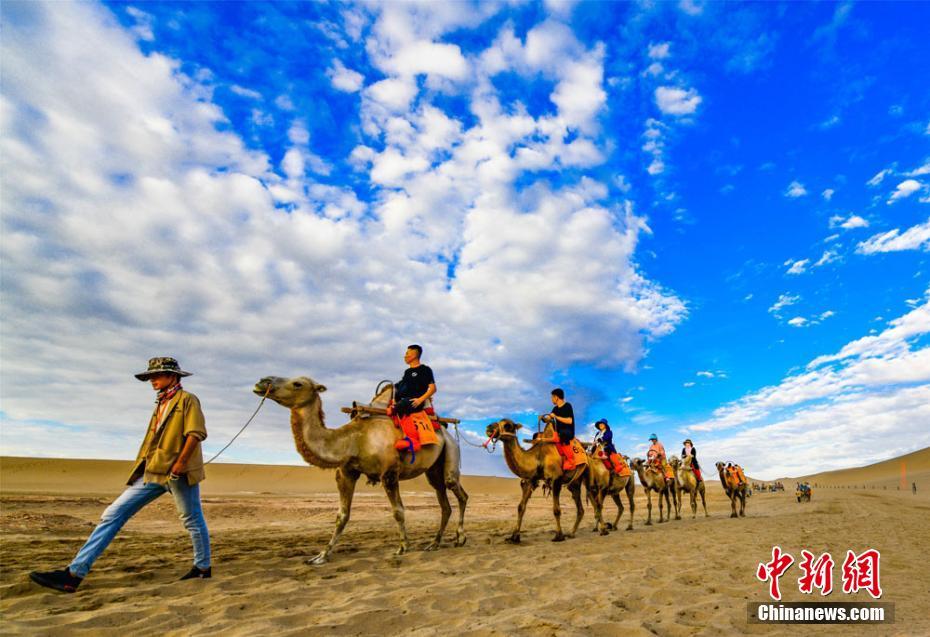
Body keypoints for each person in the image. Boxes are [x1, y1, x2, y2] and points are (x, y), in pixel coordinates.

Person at [29, 357, 212, 593]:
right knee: (113, 514)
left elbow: (195, 434)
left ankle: (202, 568)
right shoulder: (160, 403)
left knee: (192, 520)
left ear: (172, 376)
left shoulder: (187, 400)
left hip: (179, 473)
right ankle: (73, 574)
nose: (152, 381)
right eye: (150, 377)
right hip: (153, 471)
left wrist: (181, 463)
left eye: (156, 376)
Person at [391, 344, 437, 453]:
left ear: (414, 354)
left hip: (415, 401)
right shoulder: (407, 372)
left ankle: (413, 441)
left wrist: (420, 400)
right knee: (397, 403)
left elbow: (433, 388)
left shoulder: (425, 370)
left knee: (402, 405)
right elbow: (401, 387)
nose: (405, 356)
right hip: (404, 400)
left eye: (407, 353)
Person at [545, 388, 576, 470]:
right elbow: (550, 417)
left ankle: (571, 460)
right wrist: (545, 418)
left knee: (562, 434)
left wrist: (556, 417)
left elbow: (570, 421)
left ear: (556, 397)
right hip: (557, 431)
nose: (551, 399)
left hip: (568, 431)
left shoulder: (568, 406)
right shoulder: (555, 409)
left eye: (552, 397)